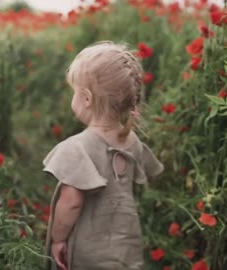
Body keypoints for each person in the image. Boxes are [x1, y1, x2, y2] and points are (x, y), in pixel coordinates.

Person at [42, 41, 164, 270]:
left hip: (90, 252)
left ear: (87, 99)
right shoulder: (131, 141)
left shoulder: (77, 148)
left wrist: (58, 239)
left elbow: (71, 204)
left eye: (74, 92)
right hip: (128, 246)